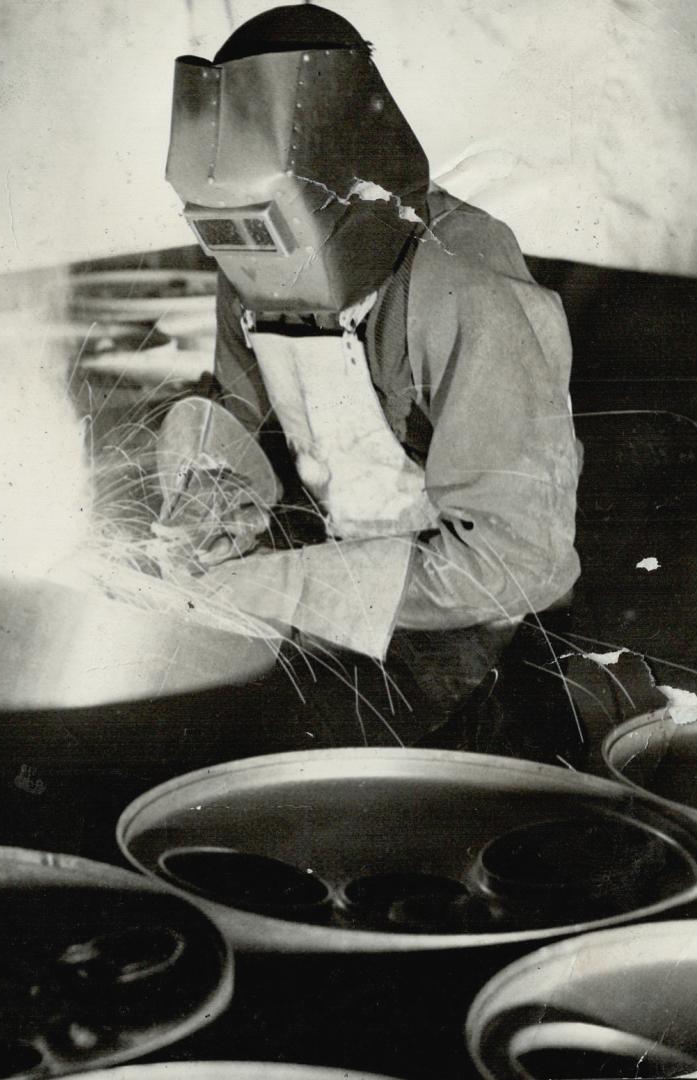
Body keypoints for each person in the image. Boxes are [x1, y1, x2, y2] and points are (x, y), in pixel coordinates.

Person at [155, 4, 582, 751]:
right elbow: (240, 404)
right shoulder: (248, 253)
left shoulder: (463, 289)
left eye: (270, 228)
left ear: (354, 191)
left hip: (484, 626)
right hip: (341, 577)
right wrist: (210, 504)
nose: (251, 266)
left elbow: (515, 565)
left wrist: (276, 586)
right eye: (223, 233)